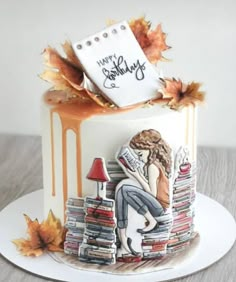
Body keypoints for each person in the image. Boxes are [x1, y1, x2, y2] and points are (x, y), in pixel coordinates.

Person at [115, 129, 172, 255]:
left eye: (140, 154)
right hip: (156, 204)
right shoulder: (152, 165)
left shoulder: (152, 167)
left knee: (124, 189)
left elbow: (152, 194)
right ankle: (123, 237)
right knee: (121, 192)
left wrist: (138, 176)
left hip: (159, 207)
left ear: (150, 150)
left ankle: (150, 220)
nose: (140, 159)